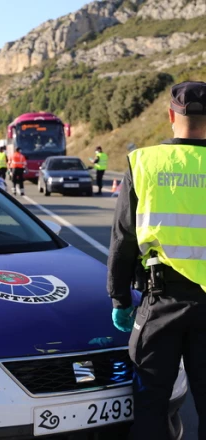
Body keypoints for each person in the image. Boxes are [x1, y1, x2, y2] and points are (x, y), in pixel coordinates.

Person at [107, 81, 206, 440]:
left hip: (160, 301)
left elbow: (123, 239)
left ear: (170, 115)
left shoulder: (143, 162)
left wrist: (119, 299)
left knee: (151, 406)